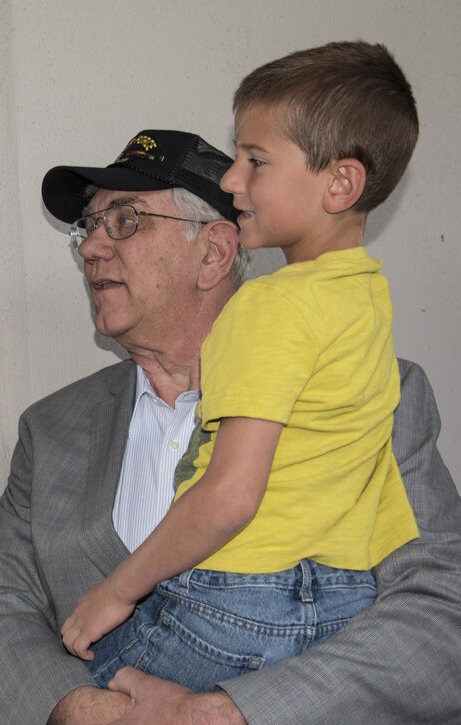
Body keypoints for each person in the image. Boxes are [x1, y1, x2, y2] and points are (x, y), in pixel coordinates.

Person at [0, 126, 461, 724]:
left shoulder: (372, 393)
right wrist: (79, 712)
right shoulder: (52, 429)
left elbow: (448, 616)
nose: (91, 247)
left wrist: (227, 716)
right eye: (88, 227)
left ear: (214, 253)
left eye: (124, 220)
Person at [60, 41, 420, 692]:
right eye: (91, 225)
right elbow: (377, 488)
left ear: (340, 183)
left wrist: (115, 590)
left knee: (91, 687)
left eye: (255, 161)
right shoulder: (369, 299)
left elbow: (229, 496)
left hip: (231, 599)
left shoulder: (268, 305)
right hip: (343, 602)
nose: (232, 180)